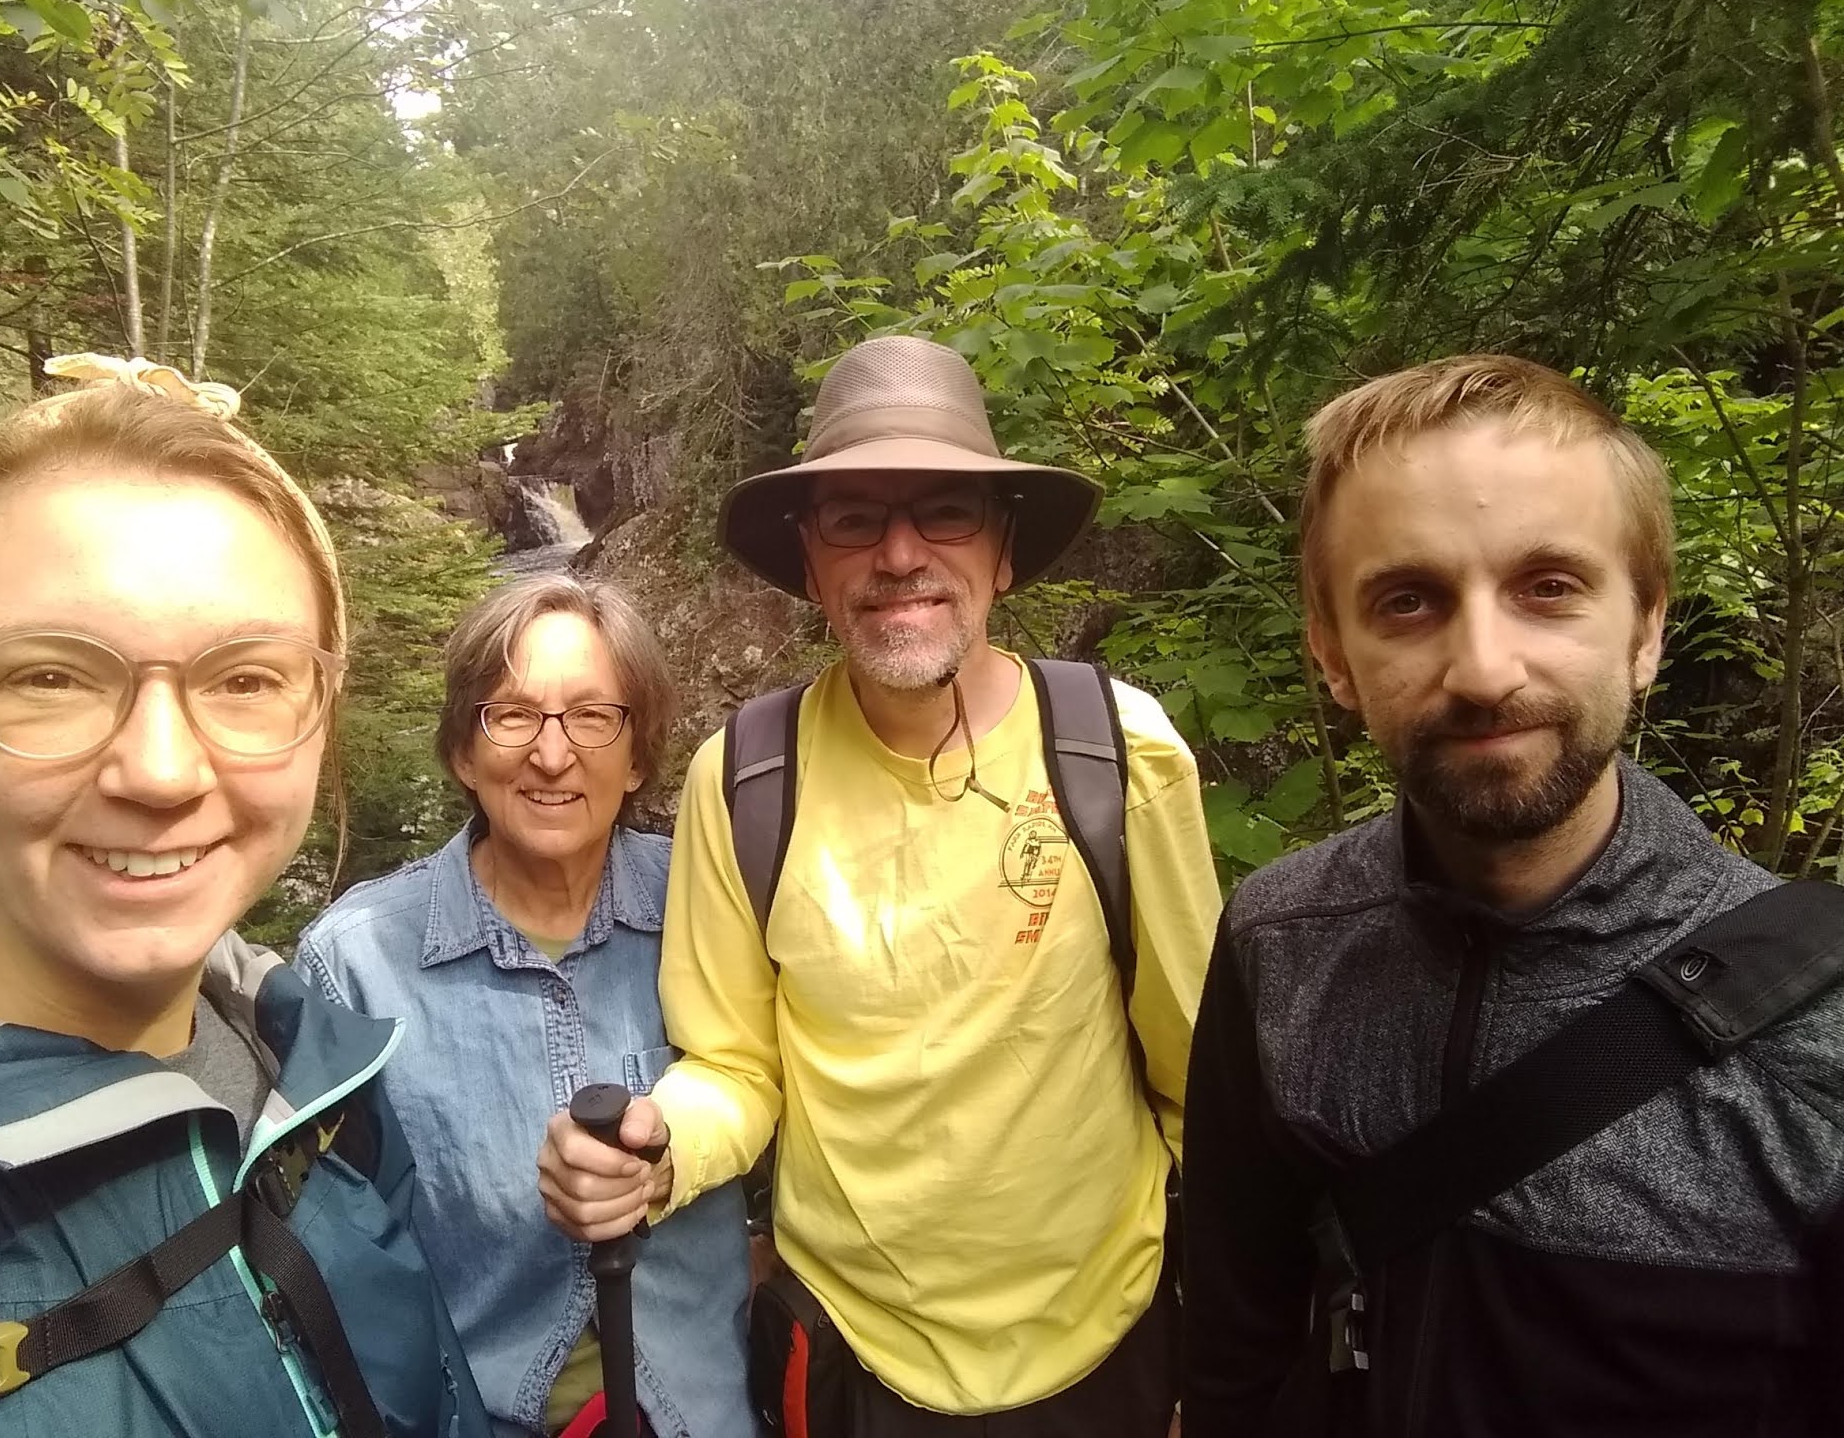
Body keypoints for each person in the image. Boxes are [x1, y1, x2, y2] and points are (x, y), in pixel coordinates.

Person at [538, 335, 1223, 1433]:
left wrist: (1227, 1334)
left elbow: (1202, 1074)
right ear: (812, 566)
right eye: (854, 519)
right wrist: (661, 1151)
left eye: (945, 512)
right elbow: (735, 1065)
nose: (899, 554)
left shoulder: (1116, 753)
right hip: (852, 1356)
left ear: (1002, 552)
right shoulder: (746, 778)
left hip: (1112, 1333)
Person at [0, 356, 490, 1438]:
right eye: (51, 676)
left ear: (319, 714)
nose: (161, 771)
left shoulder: (320, 1077)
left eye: (246, 679)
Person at [1180, 355, 1844, 1436]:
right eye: (1407, 601)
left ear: (1645, 629)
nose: (1484, 670)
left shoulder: (1817, 1023)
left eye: (1548, 587)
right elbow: (1233, 1342)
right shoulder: (1280, 939)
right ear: (1333, 656)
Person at [296, 575, 756, 1438]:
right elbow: (333, 1256)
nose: (551, 754)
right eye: (511, 716)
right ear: (464, 754)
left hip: (705, 1410)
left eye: (592, 717)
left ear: (639, 756)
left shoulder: (713, 902)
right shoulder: (356, 963)